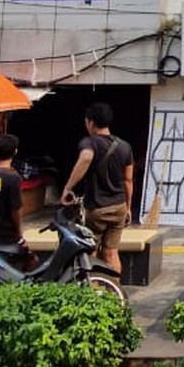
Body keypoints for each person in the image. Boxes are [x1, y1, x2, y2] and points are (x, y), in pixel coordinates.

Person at [61, 102, 134, 278]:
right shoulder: (125, 146)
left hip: (97, 209)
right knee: (111, 252)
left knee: (91, 250)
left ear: (91, 123)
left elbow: (85, 158)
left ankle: (93, 290)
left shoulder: (89, 143)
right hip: (118, 207)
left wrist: (67, 188)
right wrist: (129, 207)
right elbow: (128, 180)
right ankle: (114, 292)